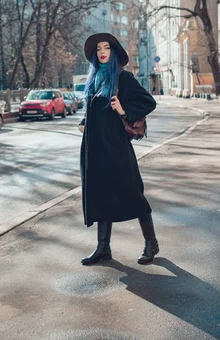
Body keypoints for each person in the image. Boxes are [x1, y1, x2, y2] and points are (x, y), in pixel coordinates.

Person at [78, 33, 158, 266]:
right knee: (101, 197)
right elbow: (93, 108)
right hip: (95, 151)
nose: (102, 52)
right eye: (99, 49)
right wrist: (84, 123)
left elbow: (148, 102)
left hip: (117, 150)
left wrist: (124, 110)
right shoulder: (94, 80)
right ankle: (103, 248)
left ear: (114, 53)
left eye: (107, 48)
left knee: (133, 195)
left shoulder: (122, 78)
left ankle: (151, 243)